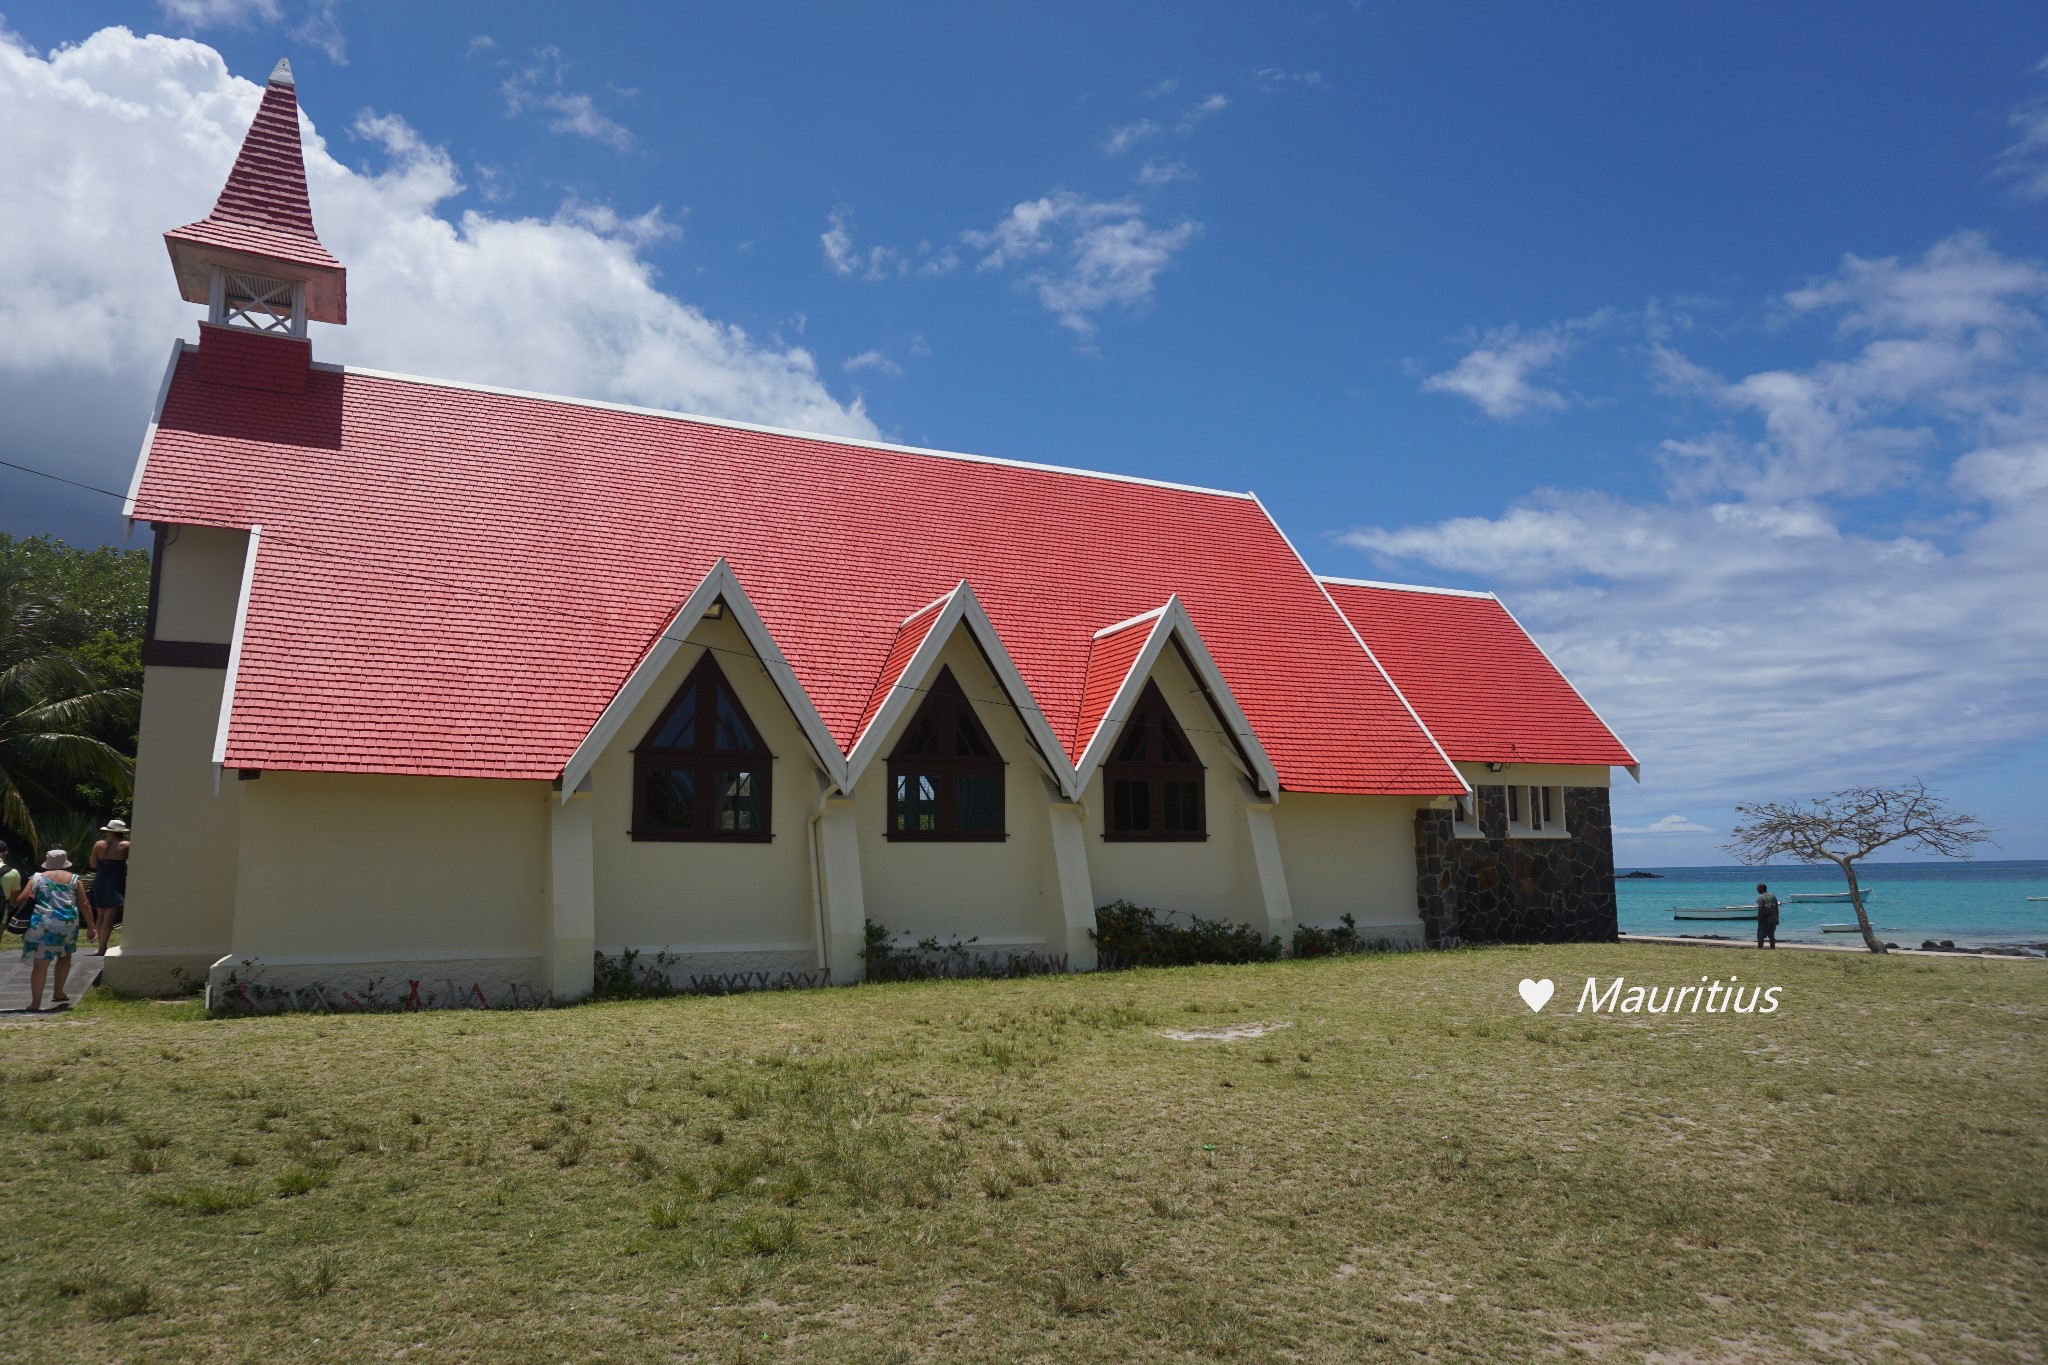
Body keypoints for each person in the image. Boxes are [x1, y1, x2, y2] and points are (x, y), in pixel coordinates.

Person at [13, 849, 91, 1011]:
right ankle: (59, 992)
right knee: (64, 957)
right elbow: (84, 904)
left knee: (40, 966)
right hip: (67, 923)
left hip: (42, 923)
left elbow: (20, 900)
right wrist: (92, 927)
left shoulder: (37, 878)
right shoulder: (75, 880)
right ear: (65, 863)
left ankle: (35, 1003)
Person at [88, 819, 130, 955]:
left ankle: (101, 946)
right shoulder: (126, 845)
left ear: (109, 831)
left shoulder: (99, 844)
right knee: (109, 916)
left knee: (100, 915)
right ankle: (102, 948)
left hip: (100, 880)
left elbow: (93, 864)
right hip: (115, 880)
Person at [1755, 882, 1780, 950]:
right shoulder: (1772, 896)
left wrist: (1759, 919)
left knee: (1760, 936)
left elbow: (1761, 910)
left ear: (1761, 888)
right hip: (1773, 918)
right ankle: (1773, 948)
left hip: (1764, 919)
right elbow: (1776, 908)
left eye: (1758, 888)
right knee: (1771, 935)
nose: (1757, 890)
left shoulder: (1761, 898)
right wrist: (1776, 918)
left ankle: (1760, 948)